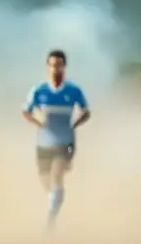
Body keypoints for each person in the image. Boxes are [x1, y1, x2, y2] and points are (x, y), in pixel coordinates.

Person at [22, 50, 90, 230]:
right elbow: (25, 111)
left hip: (67, 143)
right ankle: (56, 201)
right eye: (52, 65)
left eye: (59, 65)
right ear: (48, 67)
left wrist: (75, 124)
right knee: (46, 181)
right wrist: (38, 122)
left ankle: (50, 221)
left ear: (64, 67)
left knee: (57, 174)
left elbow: (86, 111)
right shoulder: (39, 90)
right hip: (43, 142)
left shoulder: (73, 90)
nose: (56, 69)